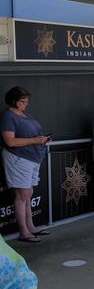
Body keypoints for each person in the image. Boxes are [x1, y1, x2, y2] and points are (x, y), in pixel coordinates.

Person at [0, 87, 50, 243]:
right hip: (18, 159)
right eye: (23, 102)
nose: (25, 104)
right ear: (14, 101)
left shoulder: (24, 114)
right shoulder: (8, 116)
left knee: (28, 194)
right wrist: (35, 140)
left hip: (32, 158)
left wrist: (42, 139)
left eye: (26, 101)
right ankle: (24, 232)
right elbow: (10, 141)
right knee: (22, 195)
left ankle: (31, 227)